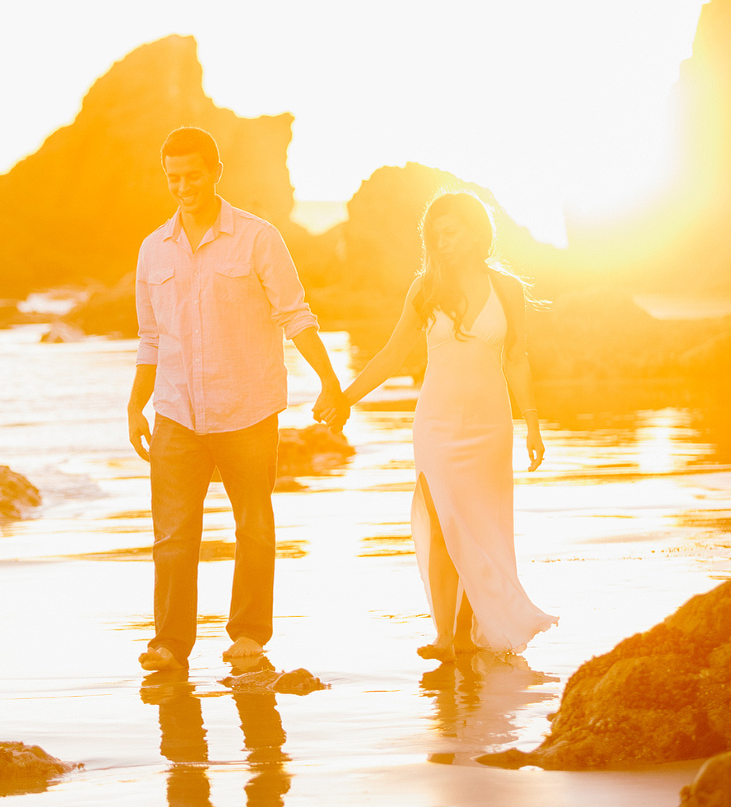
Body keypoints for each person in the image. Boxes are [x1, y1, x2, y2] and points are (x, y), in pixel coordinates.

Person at [128, 126, 348, 671]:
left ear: (215, 171)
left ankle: (248, 634)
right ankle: (169, 645)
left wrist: (330, 380)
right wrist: (135, 405)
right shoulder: (153, 250)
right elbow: (150, 338)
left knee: (253, 524)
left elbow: (294, 314)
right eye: (173, 177)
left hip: (247, 407)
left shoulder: (257, 238)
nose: (183, 187)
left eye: (193, 175)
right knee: (174, 533)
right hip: (176, 410)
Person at [334, 191, 557, 662]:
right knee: (441, 524)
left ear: (477, 233)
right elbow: (393, 355)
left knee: (481, 526)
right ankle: (443, 634)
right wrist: (344, 397)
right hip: (436, 423)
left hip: (490, 426)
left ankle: (468, 629)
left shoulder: (508, 290)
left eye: (451, 232)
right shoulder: (426, 288)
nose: (443, 242)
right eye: (435, 235)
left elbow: (516, 359)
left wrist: (532, 425)